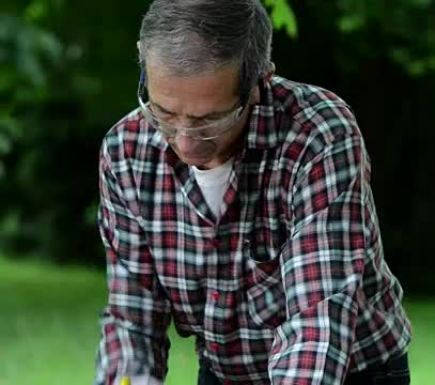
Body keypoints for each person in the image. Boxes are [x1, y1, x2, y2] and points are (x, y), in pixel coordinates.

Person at [94, 1, 412, 384]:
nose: (185, 144)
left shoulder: (318, 136)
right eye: (163, 113)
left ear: (261, 82)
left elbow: (317, 320)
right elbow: (134, 321)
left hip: (351, 369)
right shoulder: (126, 152)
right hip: (225, 370)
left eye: (209, 120)